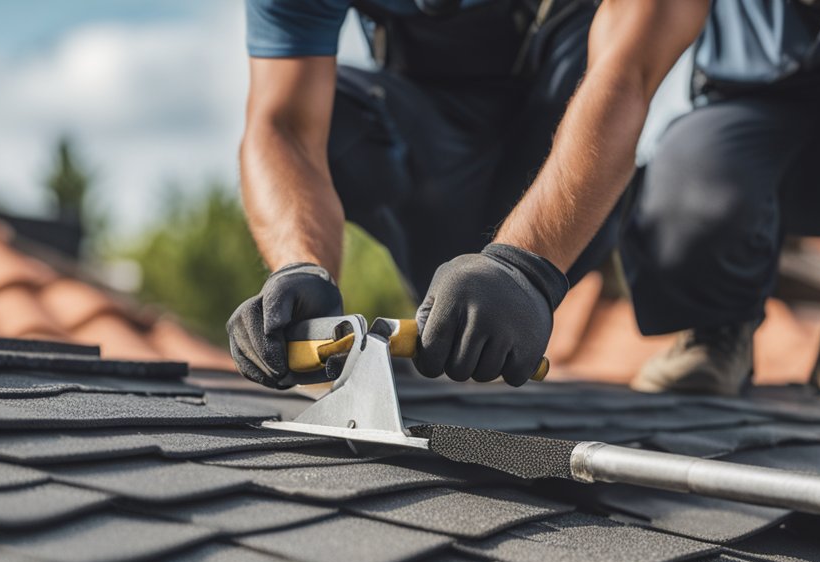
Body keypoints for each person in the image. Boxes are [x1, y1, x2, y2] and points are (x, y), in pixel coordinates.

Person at [414, 0, 820, 543]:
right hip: (748, 124)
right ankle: (716, 324)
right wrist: (525, 264)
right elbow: (626, 73)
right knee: (691, 200)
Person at [228, 0, 610, 390]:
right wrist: (301, 264)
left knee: (675, 189)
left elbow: (625, 82)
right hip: (437, 171)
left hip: (577, 189)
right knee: (336, 115)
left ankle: (631, 294)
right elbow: (284, 126)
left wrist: (527, 267)